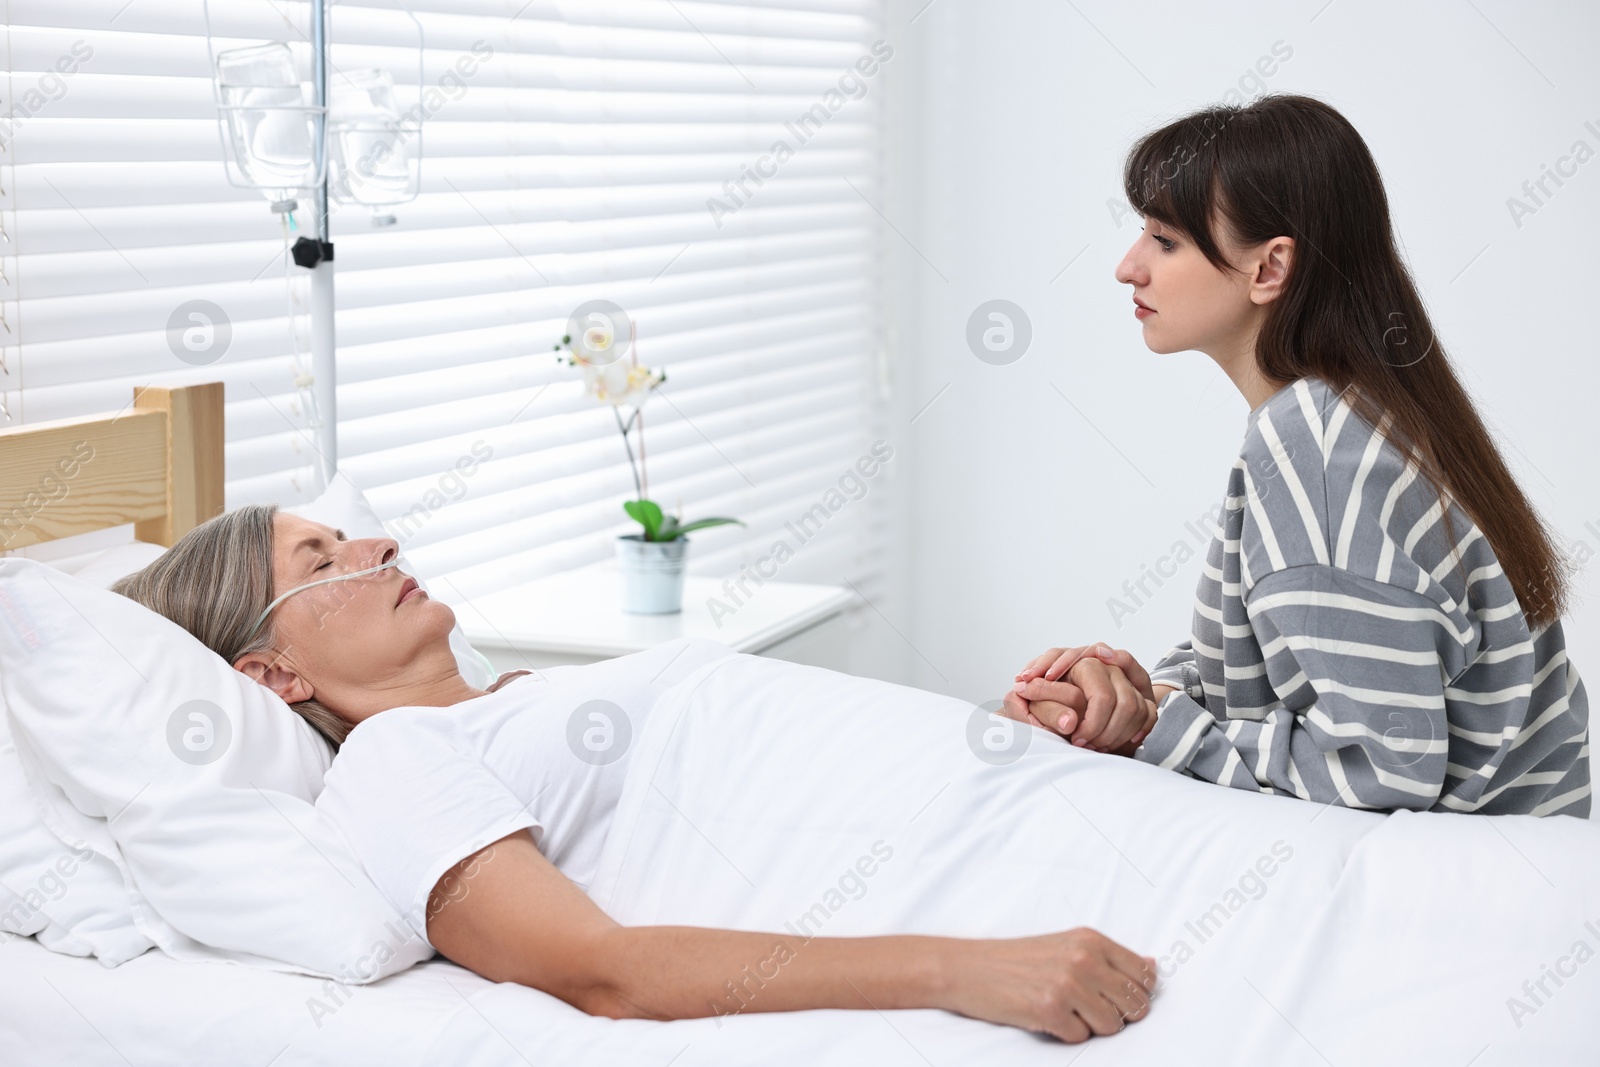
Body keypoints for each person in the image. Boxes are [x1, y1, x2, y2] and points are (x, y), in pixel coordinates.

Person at [114, 506, 1157, 1044]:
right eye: (322, 558)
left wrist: (1028, 719)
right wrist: (965, 969)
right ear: (272, 672)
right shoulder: (396, 760)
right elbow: (599, 969)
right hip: (1039, 910)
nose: (380, 541)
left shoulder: (517, 702)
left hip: (1058, 810)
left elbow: (769, 779)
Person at [1005, 93, 1588, 817]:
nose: (1129, 268)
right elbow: (1312, 664)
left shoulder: (1315, 448)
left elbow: (1384, 767)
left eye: (1164, 240)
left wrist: (1160, 727)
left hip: (1472, 886)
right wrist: (1146, 691)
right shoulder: (1359, 408)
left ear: (1270, 268)